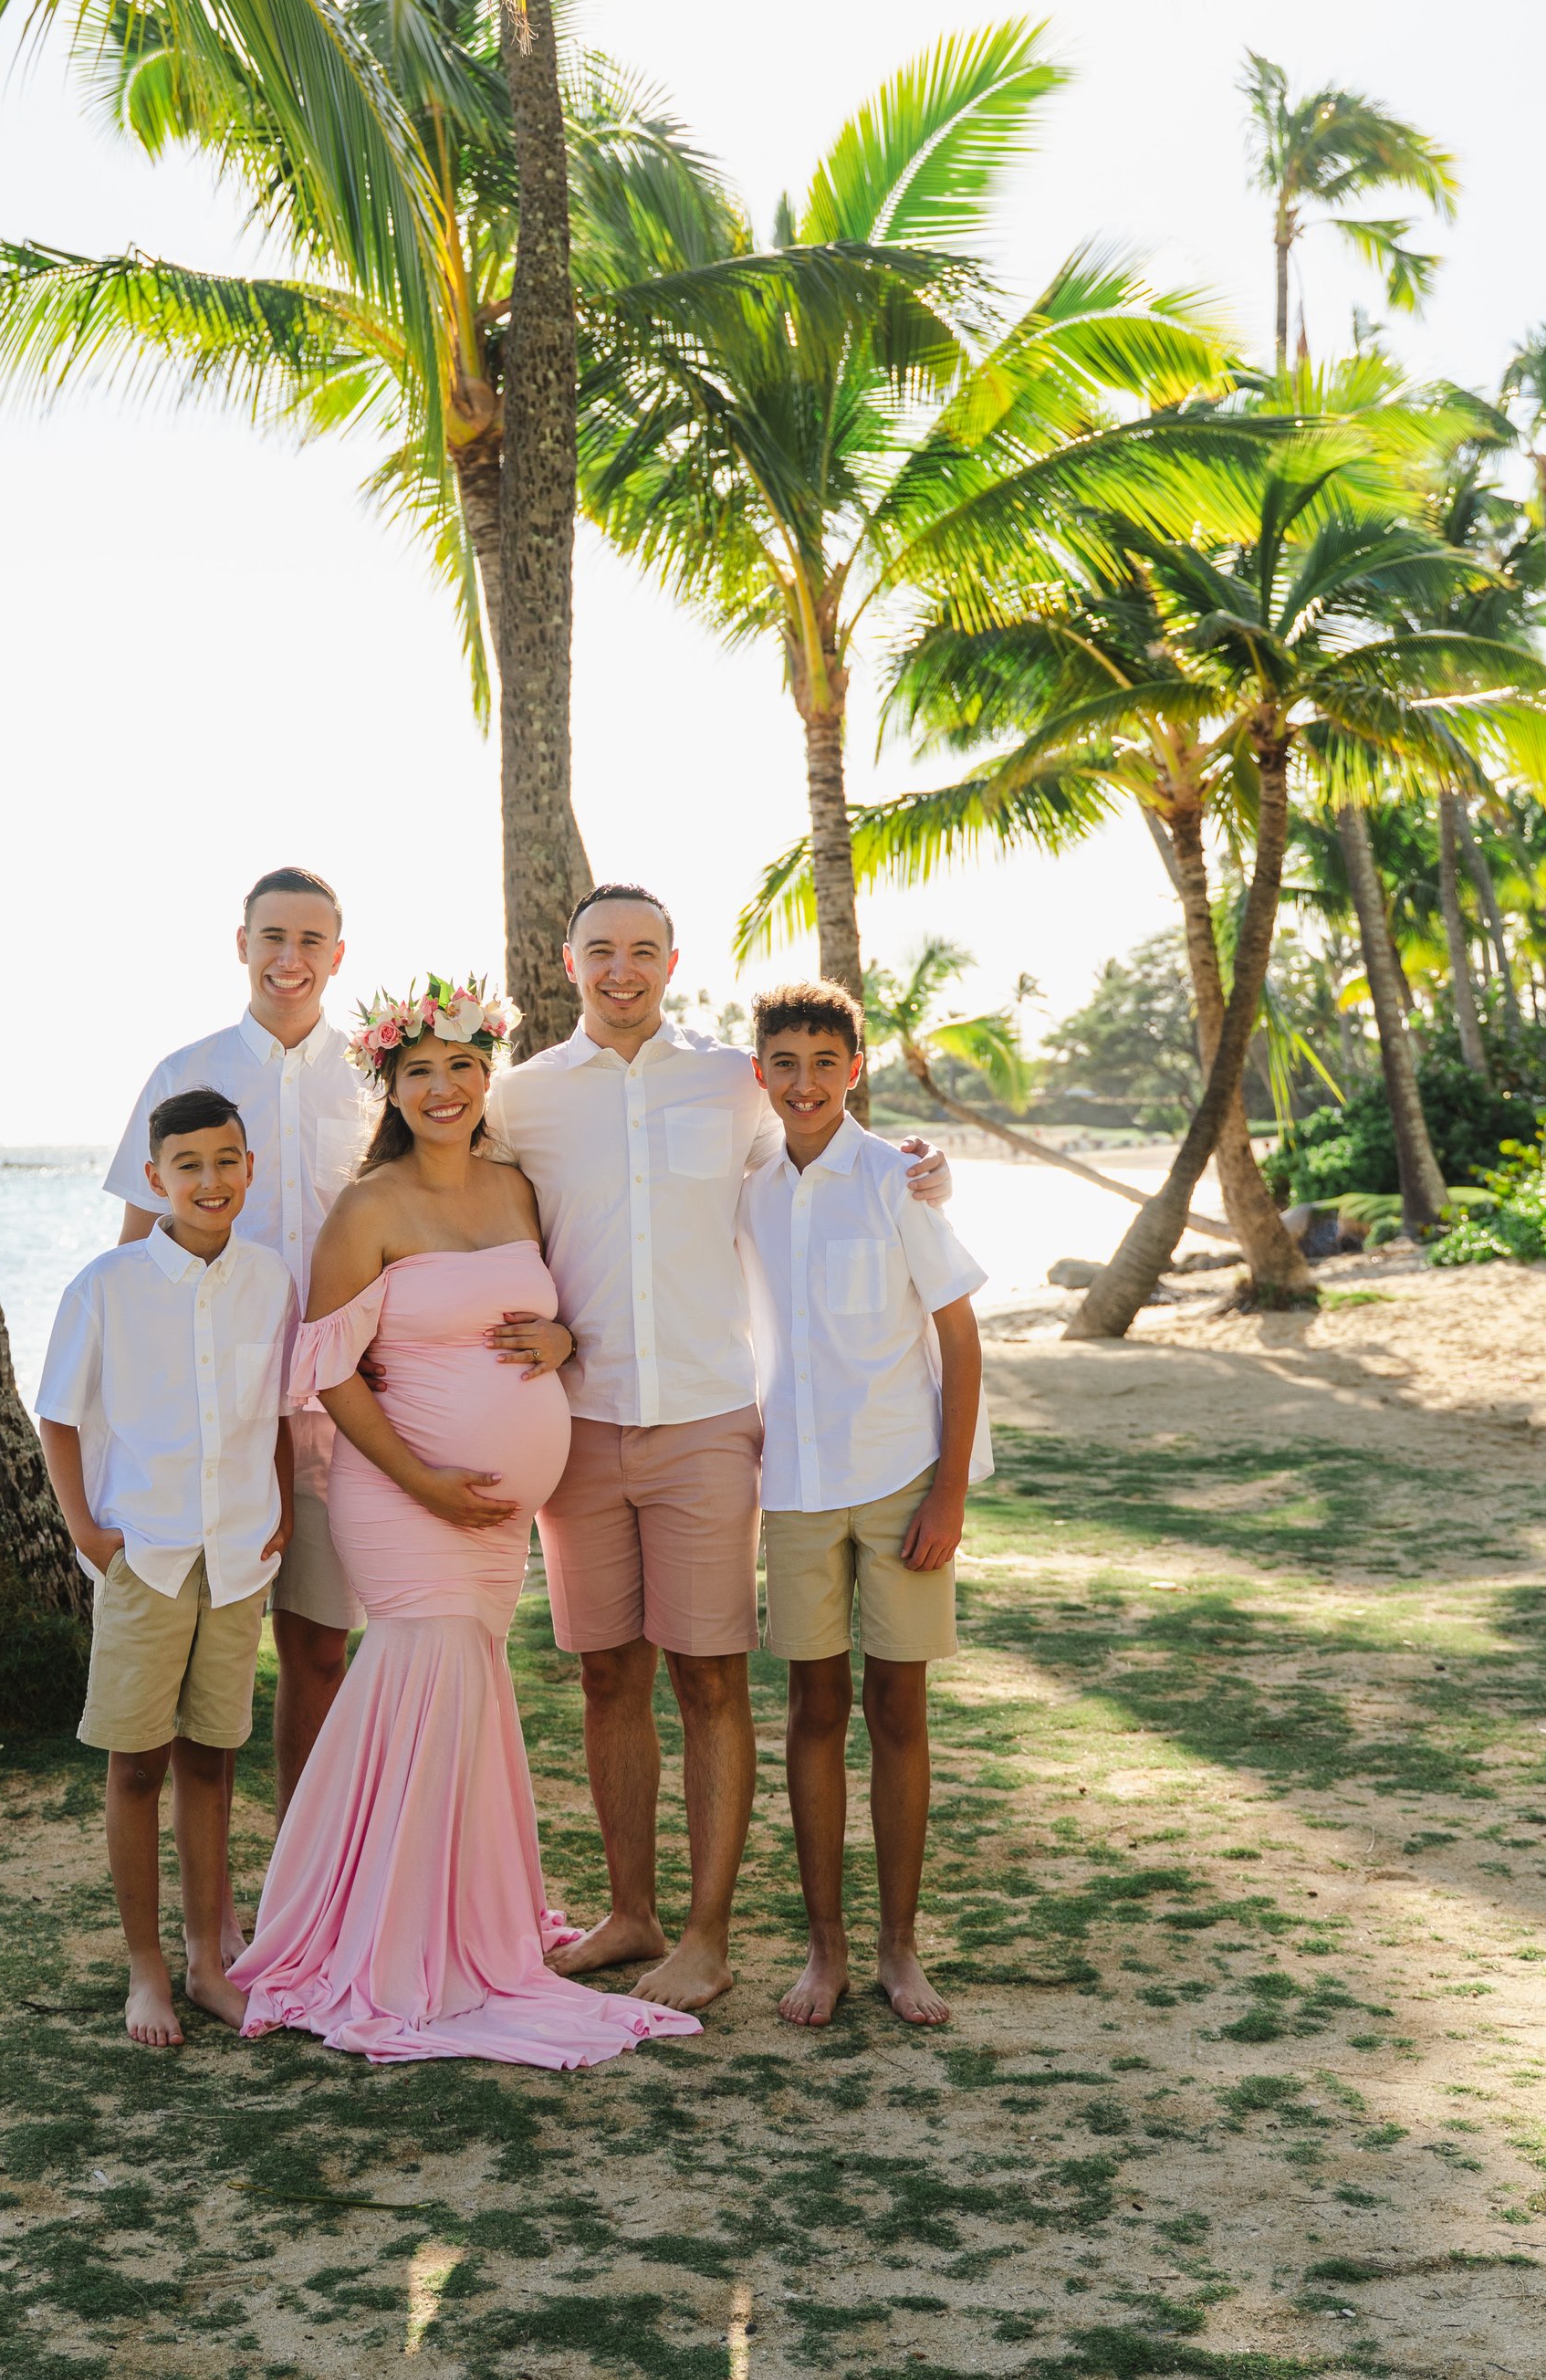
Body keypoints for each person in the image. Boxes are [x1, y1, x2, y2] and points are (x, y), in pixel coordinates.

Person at [485, 884, 949, 2013]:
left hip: (705, 1419)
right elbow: (462, 1199)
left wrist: (917, 1167)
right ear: (568, 960)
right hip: (580, 1422)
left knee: (709, 1676)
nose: (622, 970)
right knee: (606, 1674)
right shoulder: (521, 1097)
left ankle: (707, 1933)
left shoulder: (725, 1081)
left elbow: (821, 1129)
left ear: (672, 960)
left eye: (643, 950)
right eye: (602, 951)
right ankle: (630, 1912)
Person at [230, 978, 699, 2068]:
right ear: (390, 1088)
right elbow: (330, 1372)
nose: (444, 1088)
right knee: (418, 1676)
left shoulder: (517, 1187)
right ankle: (373, 1934)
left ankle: (451, 1919)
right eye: (419, 1071)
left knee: (463, 1697)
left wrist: (566, 1346)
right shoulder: (369, 1208)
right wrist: (427, 1484)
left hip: (493, 1524)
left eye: (460, 1066)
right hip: (402, 1497)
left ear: (487, 1073)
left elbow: (551, 1313)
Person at [740, 983, 989, 2030]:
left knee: (896, 1708)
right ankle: (824, 1946)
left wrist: (949, 1490)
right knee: (811, 1711)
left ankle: (897, 1944)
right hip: (794, 1485)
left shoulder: (896, 1181)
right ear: (759, 1076)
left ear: (855, 1071)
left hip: (898, 1481)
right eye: (784, 1063)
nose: (804, 1083)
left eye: (824, 1062)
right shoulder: (746, 1187)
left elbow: (960, 1337)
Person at [105, 866, 373, 1804]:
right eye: (273, 937)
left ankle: (306, 1881)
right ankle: (208, 1904)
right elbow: (135, 1266)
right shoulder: (185, 1074)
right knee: (197, 1665)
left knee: (318, 1649)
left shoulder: (374, 1077)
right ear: (242, 944)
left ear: (337, 955)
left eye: (310, 941)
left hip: (340, 1410)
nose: (289, 959)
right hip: (212, 1420)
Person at [37, 1089, 296, 2050]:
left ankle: (205, 1958)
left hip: (236, 1555)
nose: (209, 1180)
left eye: (226, 1161)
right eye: (187, 1166)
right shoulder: (104, 1286)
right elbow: (57, 1417)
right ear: (154, 1180)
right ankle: (145, 1968)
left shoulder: (270, 1279)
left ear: (248, 1168)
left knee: (212, 1759)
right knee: (137, 1760)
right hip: (143, 1555)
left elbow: (272, 1407)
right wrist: (89, 1536)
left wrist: (273, 1510)